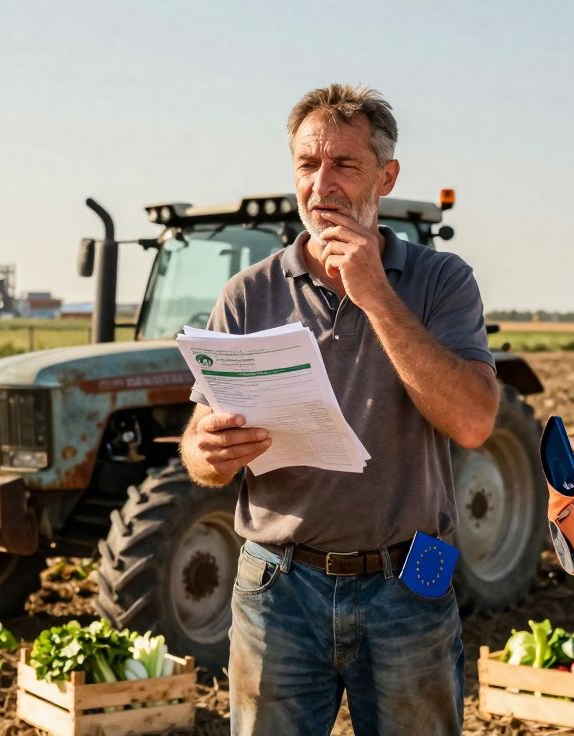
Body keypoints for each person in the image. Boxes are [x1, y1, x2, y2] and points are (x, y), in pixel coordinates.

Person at [178, 84, 500, 736]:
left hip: (409, 584)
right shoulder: (247, 294)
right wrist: (204, 450)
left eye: (343, 165)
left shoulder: (442, 284)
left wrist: (376, 295)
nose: (321, 184)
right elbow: (199, 450)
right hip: (278, 590)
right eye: (306, 164)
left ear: (386, 176)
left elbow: (473, 421)